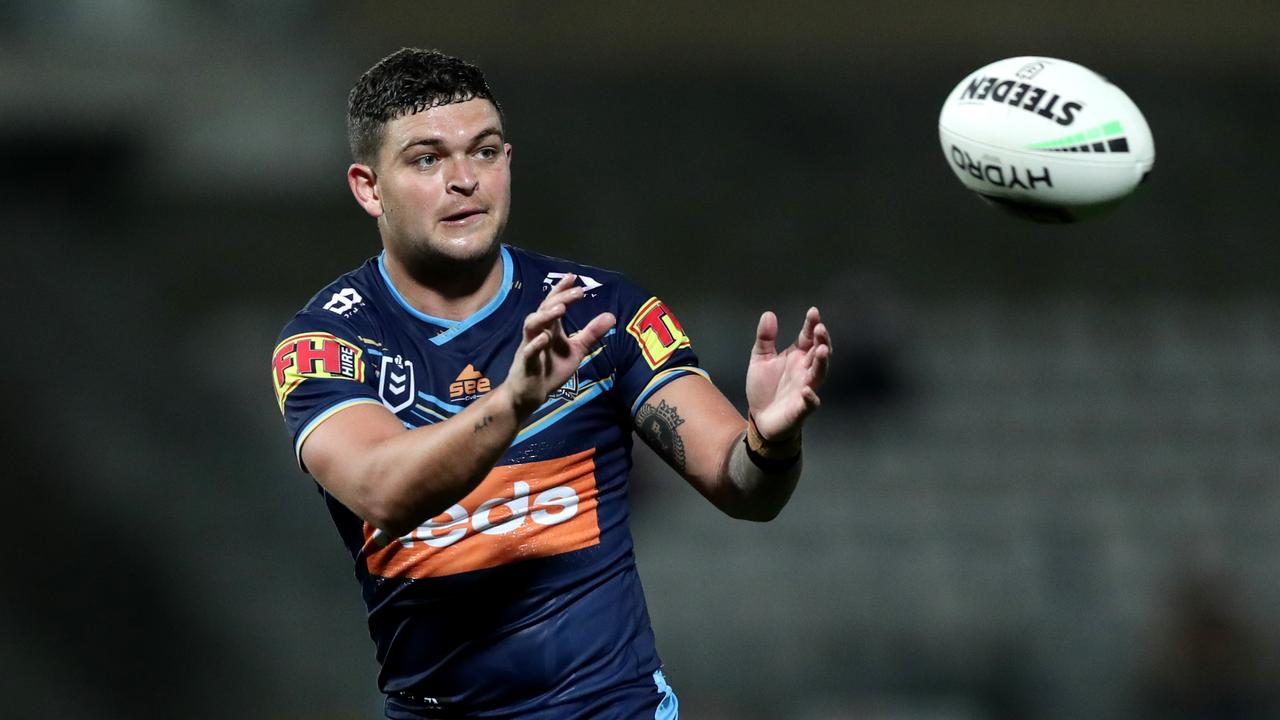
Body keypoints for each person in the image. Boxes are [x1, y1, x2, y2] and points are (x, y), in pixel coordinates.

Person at [271, 48, 832, 720]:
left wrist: (769, 442)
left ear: (507, 163)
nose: (463, 180)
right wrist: (513, 403)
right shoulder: (328, 345)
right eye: (426, 159)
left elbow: (743, 489)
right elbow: (383, 491)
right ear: (368, 187)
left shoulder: (604, 310)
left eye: (483, 153)